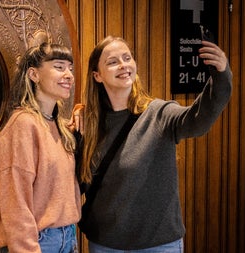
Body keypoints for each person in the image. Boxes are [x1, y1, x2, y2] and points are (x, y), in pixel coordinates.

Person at [71, 36, 232, 252]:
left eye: (127, 58)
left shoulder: (159, 114)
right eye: (112, 61)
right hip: (106, 245)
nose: (123, 65)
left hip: (158, 245)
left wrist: (221, 76)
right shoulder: (87, 126)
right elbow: (72, 182)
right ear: (97, 75)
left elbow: (198, 121)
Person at [0, 42, 81, 253]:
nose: (69, 75)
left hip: (67, 238)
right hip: (38, 242)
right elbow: (16, 202)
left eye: (70, 68)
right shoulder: (23, 124)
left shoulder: (58, 124)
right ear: (34, 74)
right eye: (59, 67)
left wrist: (81, 110)